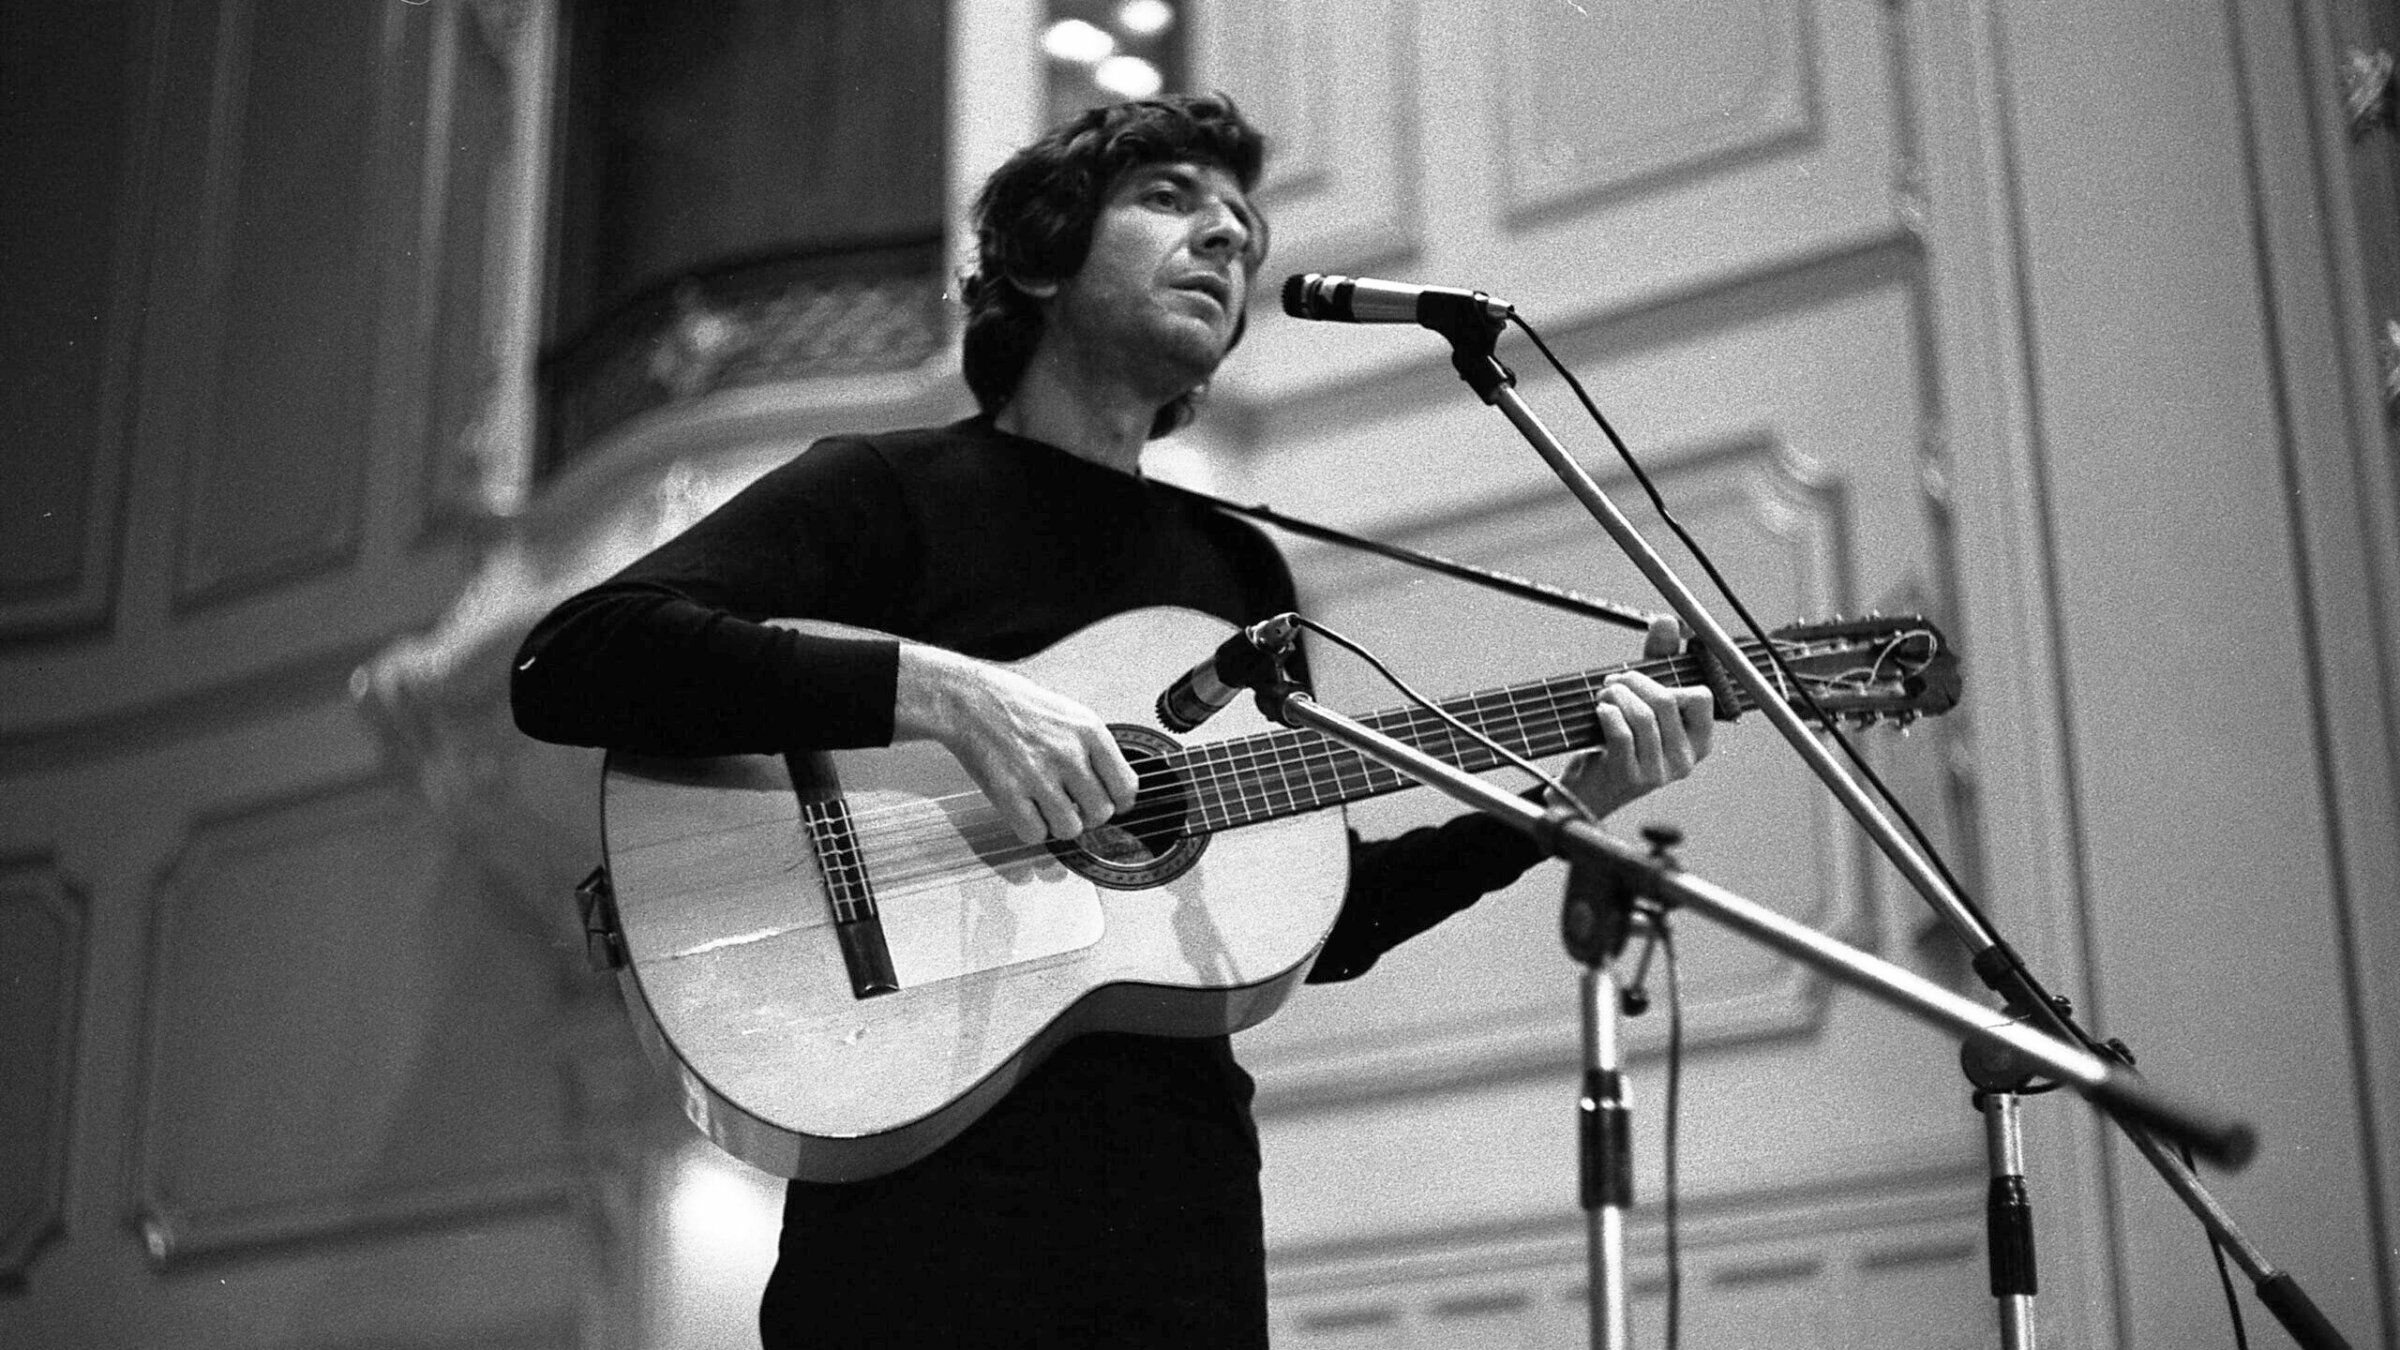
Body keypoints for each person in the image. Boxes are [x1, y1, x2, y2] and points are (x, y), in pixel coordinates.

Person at [511, 93, 1713, 1349]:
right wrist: (942, 690)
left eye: (1244, 235)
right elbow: (570, 661)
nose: (1225, 243)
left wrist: (1565, 805)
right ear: (1038, 254)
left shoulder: (1236, 573)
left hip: (1174, 1231)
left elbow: (1329, 912)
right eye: (1171, 201)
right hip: (915, 1219)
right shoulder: (883, 492)